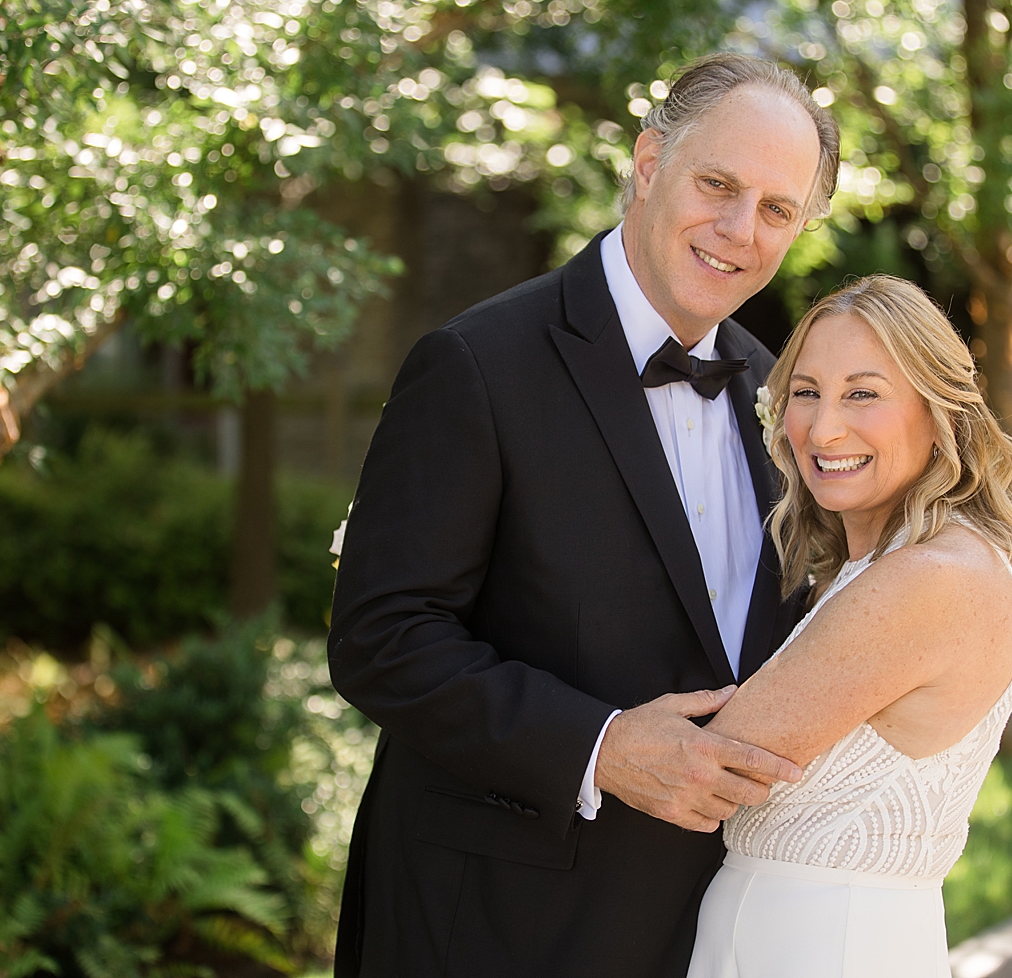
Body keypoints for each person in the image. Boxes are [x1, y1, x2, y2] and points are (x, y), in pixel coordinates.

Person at [327, 54, 842, 977]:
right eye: (716, 183)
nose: (738, 229)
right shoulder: (477, 363)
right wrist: (599, 748)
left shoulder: (779, 393)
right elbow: (382, 636)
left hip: (704, 929)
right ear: (649, 165)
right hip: (493, 928)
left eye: (777, 209)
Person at [684, 275, 1012, 977]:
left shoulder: (928, 580)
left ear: (940, 415)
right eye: (807, 391)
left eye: (863, 393)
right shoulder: (878, 567)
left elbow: (704, 768)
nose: (823, 429)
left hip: (829, 947)